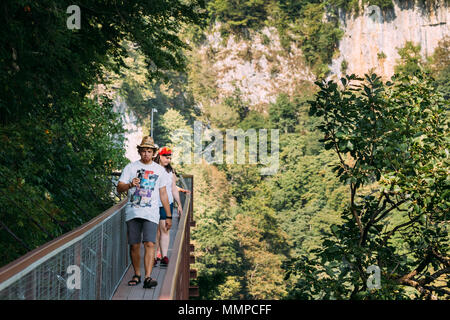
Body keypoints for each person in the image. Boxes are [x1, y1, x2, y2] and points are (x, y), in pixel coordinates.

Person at [117, 136, 172, 289]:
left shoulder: (159, 170)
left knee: (149, 243)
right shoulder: (130, 167)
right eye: (143, 151)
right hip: (133, 211)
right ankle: (137, 274)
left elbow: (163, 194)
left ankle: (148, 277)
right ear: (139, 152)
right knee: (134, 245)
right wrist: (129, 184)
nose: (146, 154)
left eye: (149, 151)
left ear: (154, 153)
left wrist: (168, 215)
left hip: (151, 213)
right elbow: (119, 187)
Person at [153, 146, 183, 267]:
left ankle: (164, 256)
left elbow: (173, 188)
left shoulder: (170, 172)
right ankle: (154, 256)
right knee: (155, 230)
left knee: (165, 228)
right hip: (155, 203)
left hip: (167, 203)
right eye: (166, 157)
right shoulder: (153, 169)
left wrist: (179, 204)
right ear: (160, 156)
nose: (168, 160)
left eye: (169, 158)